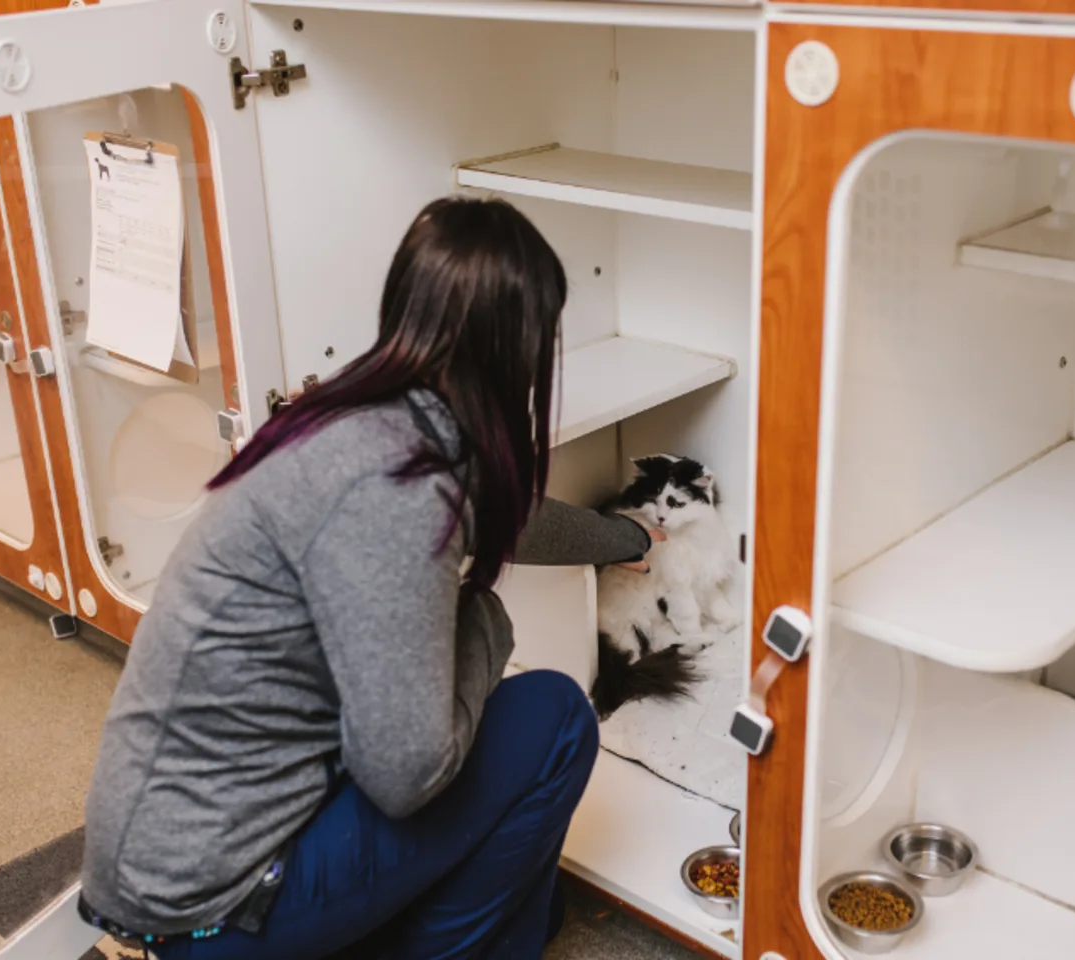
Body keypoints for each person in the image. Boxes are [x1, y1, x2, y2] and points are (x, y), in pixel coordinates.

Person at [78, 197, 660, 960]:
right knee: (552, 719)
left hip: (168, 853)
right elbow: (407, 776)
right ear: (517, 350)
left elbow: (502, 510)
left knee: (536, 904)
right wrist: (483, 628)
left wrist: (621, 538)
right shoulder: (393, 489)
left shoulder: (362, 416)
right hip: (214, 909)